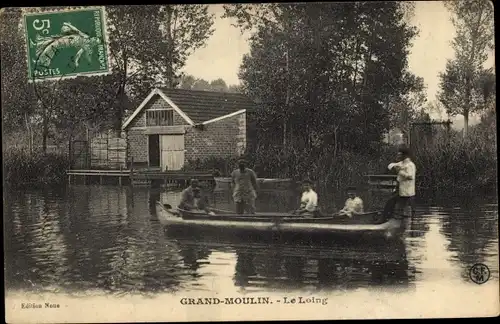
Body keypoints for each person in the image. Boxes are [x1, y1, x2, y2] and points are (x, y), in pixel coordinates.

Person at [383, 146, 417, 219]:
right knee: (393, 202)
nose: (398, 156)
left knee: (407, 206)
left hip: (408, 190)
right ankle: (390, 218)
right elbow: (390, 166)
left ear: (404, 155)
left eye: (400, 155)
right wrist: (393, 166)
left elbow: (411, 176)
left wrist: (400, 172)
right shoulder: (402, 163)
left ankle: (388, 218)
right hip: (401, 189)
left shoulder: (410, 165)